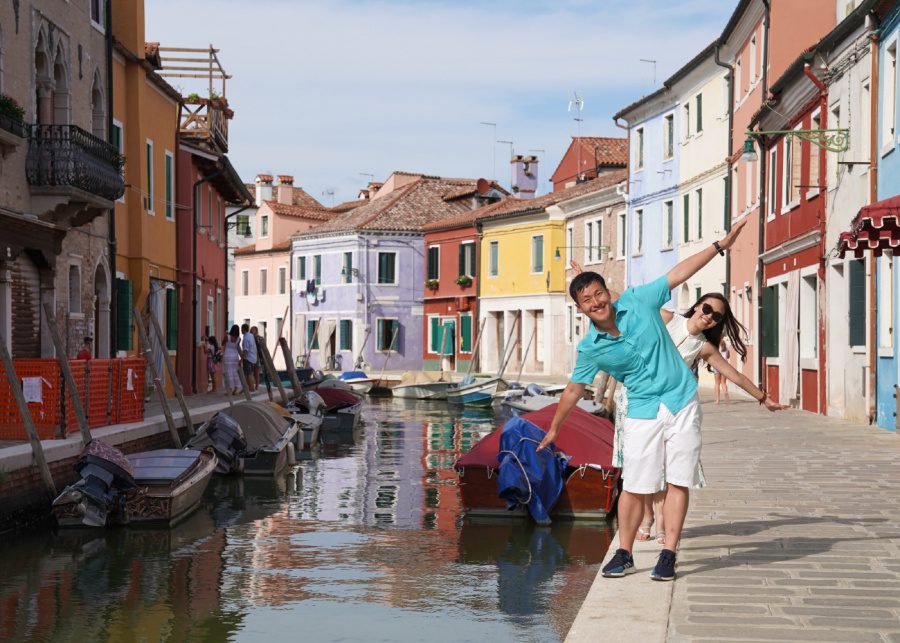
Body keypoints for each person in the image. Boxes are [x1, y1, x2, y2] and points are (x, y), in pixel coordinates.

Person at [537, 219, 747, 583]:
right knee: (635, 484)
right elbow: (573, 389)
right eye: (586, 300)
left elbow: (678, 273)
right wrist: (555, 428)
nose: (595, 302)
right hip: (642, 409)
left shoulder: (638, 299)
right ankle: (625, 552)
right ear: (580, 309)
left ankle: (668, 555)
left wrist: (720, 245)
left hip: (680, 401)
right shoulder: (590, 348)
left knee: (678, 480)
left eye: (598, 294)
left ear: (608, 292)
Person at [222, 325, 243, 395]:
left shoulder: (227, 336)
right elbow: (237, 346)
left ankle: (230, 389)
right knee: (235, 372)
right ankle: (236, 388)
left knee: (228, 372)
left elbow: (222, 343)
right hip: (235, 356)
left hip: (227, 355)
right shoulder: (239, 339)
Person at [241, 323, 258, 392]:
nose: (241, 331)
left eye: (241, 329)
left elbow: (245, 350)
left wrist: (241, 359)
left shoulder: (246, 338)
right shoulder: (251, 336)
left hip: (248, 358)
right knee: (249, 373)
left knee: (248, 374)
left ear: (243, 329)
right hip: (253, 357)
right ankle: (250, 387)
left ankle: (251, 388)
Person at [714, 339, 731, 404]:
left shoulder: (716, 348)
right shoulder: (726, 349)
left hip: (717, 366)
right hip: (725, 366)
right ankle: (726, 396)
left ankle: (717, 400)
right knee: (723, 382)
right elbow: (728, 357)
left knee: (717, 383)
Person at [250, 325, 263, 390]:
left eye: (253, 330)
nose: (252, 331)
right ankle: (252, 385)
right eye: (251, 330)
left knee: (256, 371)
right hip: (250, 356)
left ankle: (257, 386)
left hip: (257, 356)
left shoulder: (259, 338)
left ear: (256, 331)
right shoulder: (250, 337)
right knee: (251, 371)